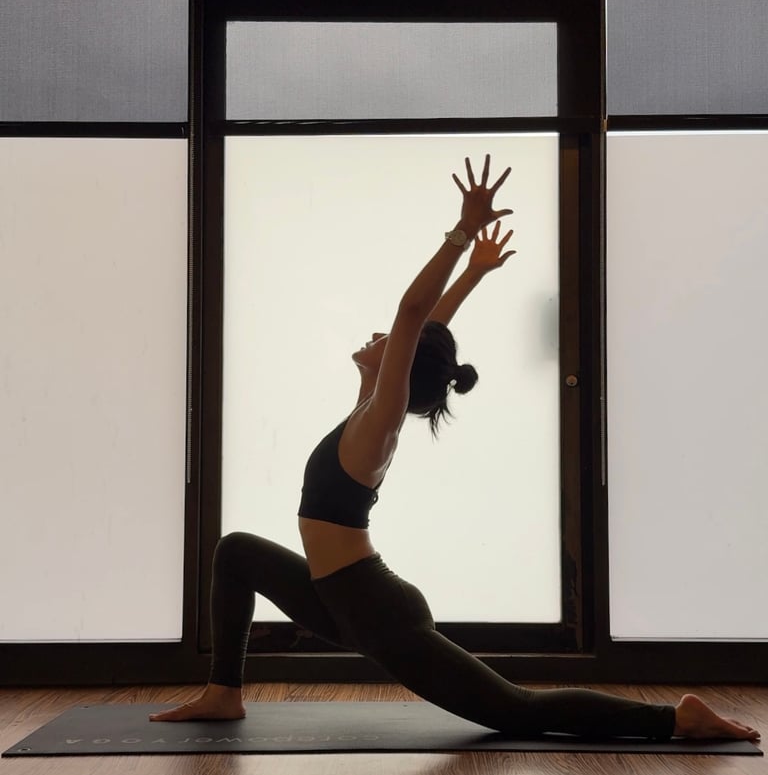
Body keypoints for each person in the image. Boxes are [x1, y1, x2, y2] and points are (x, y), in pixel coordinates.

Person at [151, 156, 759, 742]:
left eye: (391, 341)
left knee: (516, 711)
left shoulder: (378, 423)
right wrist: (474, 274)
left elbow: (413, 315)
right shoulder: (369, 405)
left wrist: (463, 232)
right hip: (339, 600)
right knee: (236, 551)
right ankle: (224, 692)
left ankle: (675, 718)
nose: (380, 335)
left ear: (400, 364)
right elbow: (425, 327)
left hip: (375, 610)